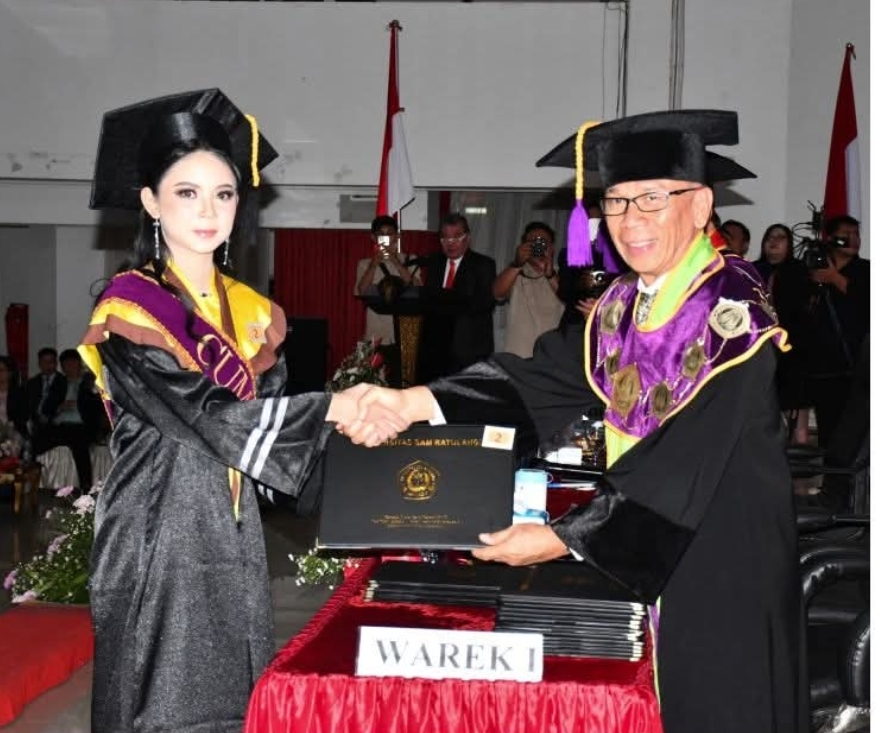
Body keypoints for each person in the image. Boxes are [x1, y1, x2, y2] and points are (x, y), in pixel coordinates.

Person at [344, 110, 807, 733]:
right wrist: (415, 402)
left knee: (717, 703)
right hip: (645, 541)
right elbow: (541, 378)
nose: (630, 221)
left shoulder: (732, 310)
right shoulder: (622, 304)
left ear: (699, 206)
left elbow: (683, 457)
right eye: (615, 202)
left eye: (652, 199)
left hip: (723, 554)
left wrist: (564, 538)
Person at [78, 88, 406, 733]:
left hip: (232, 532)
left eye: (224, 194)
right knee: (158, 706)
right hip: (157, 532)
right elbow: (208, 416)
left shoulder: (255, 314)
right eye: (187, 192)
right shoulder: (131, 310)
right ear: (150, 201)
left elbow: (277, 437)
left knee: (234, 696)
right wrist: (334, 407)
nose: (209, 211)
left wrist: (379, 487)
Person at [804, 214, 870, 447]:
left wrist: (834, 278)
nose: (853, 239)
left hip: (858, 363)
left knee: (857, 431)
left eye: (856, 234)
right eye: (846, 235)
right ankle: (830, 469)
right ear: (831, 239)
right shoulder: (811, 272)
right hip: (822, 365)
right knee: (828, 430)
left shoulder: (866, 269)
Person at [415, 212, 496, 382]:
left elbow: (483, 305)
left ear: (468, 238)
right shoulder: (434, 262)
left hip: (468, 351)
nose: (450, 243)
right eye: (445, 238)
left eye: (456, 237)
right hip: (435, 351)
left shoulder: (483, 265)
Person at [753, 223, 814, 444]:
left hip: (792, 348)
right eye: (770, 237)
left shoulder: (798, 271)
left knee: (795, 405)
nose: (774, 241)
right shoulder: (753, 270)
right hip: (759, 348)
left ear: (790, 244)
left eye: (781, 237)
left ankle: (801, 450)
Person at [354, 214, 421, 384]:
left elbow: (418, 289)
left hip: (405, 333)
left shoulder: (411, 259)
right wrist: (374, 263)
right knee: (374, 384)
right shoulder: (364, 263)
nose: (385, 238)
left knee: (404, 384)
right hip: (376, 333)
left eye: (389, 233)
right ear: (373, 238)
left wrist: (396, 262)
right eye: (380, 234)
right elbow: (361, 291)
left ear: (397, 236)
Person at [33, 348, 105, 489]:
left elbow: (98, 407)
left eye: (73, 363)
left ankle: (86, 487)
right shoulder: (59, 383)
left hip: (81, 426)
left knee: (79, 444)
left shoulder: (88, 383)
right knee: (36, 440)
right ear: (62, 367)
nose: (70, 367)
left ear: (79, 364)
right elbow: (47, 408)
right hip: (60, 426)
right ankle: (30, 480)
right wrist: (59, 407)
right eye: (66, 364)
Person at [493, 221, 563, 357]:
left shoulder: (561, 274)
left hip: (553, 355)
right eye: (532, 242)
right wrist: (517, 263)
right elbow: (497, 293)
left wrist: (550, 273)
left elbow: (568, 298)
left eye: (543, 242)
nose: (538, 246)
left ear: (552, 248)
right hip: (519, 355)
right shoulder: (515, 272)